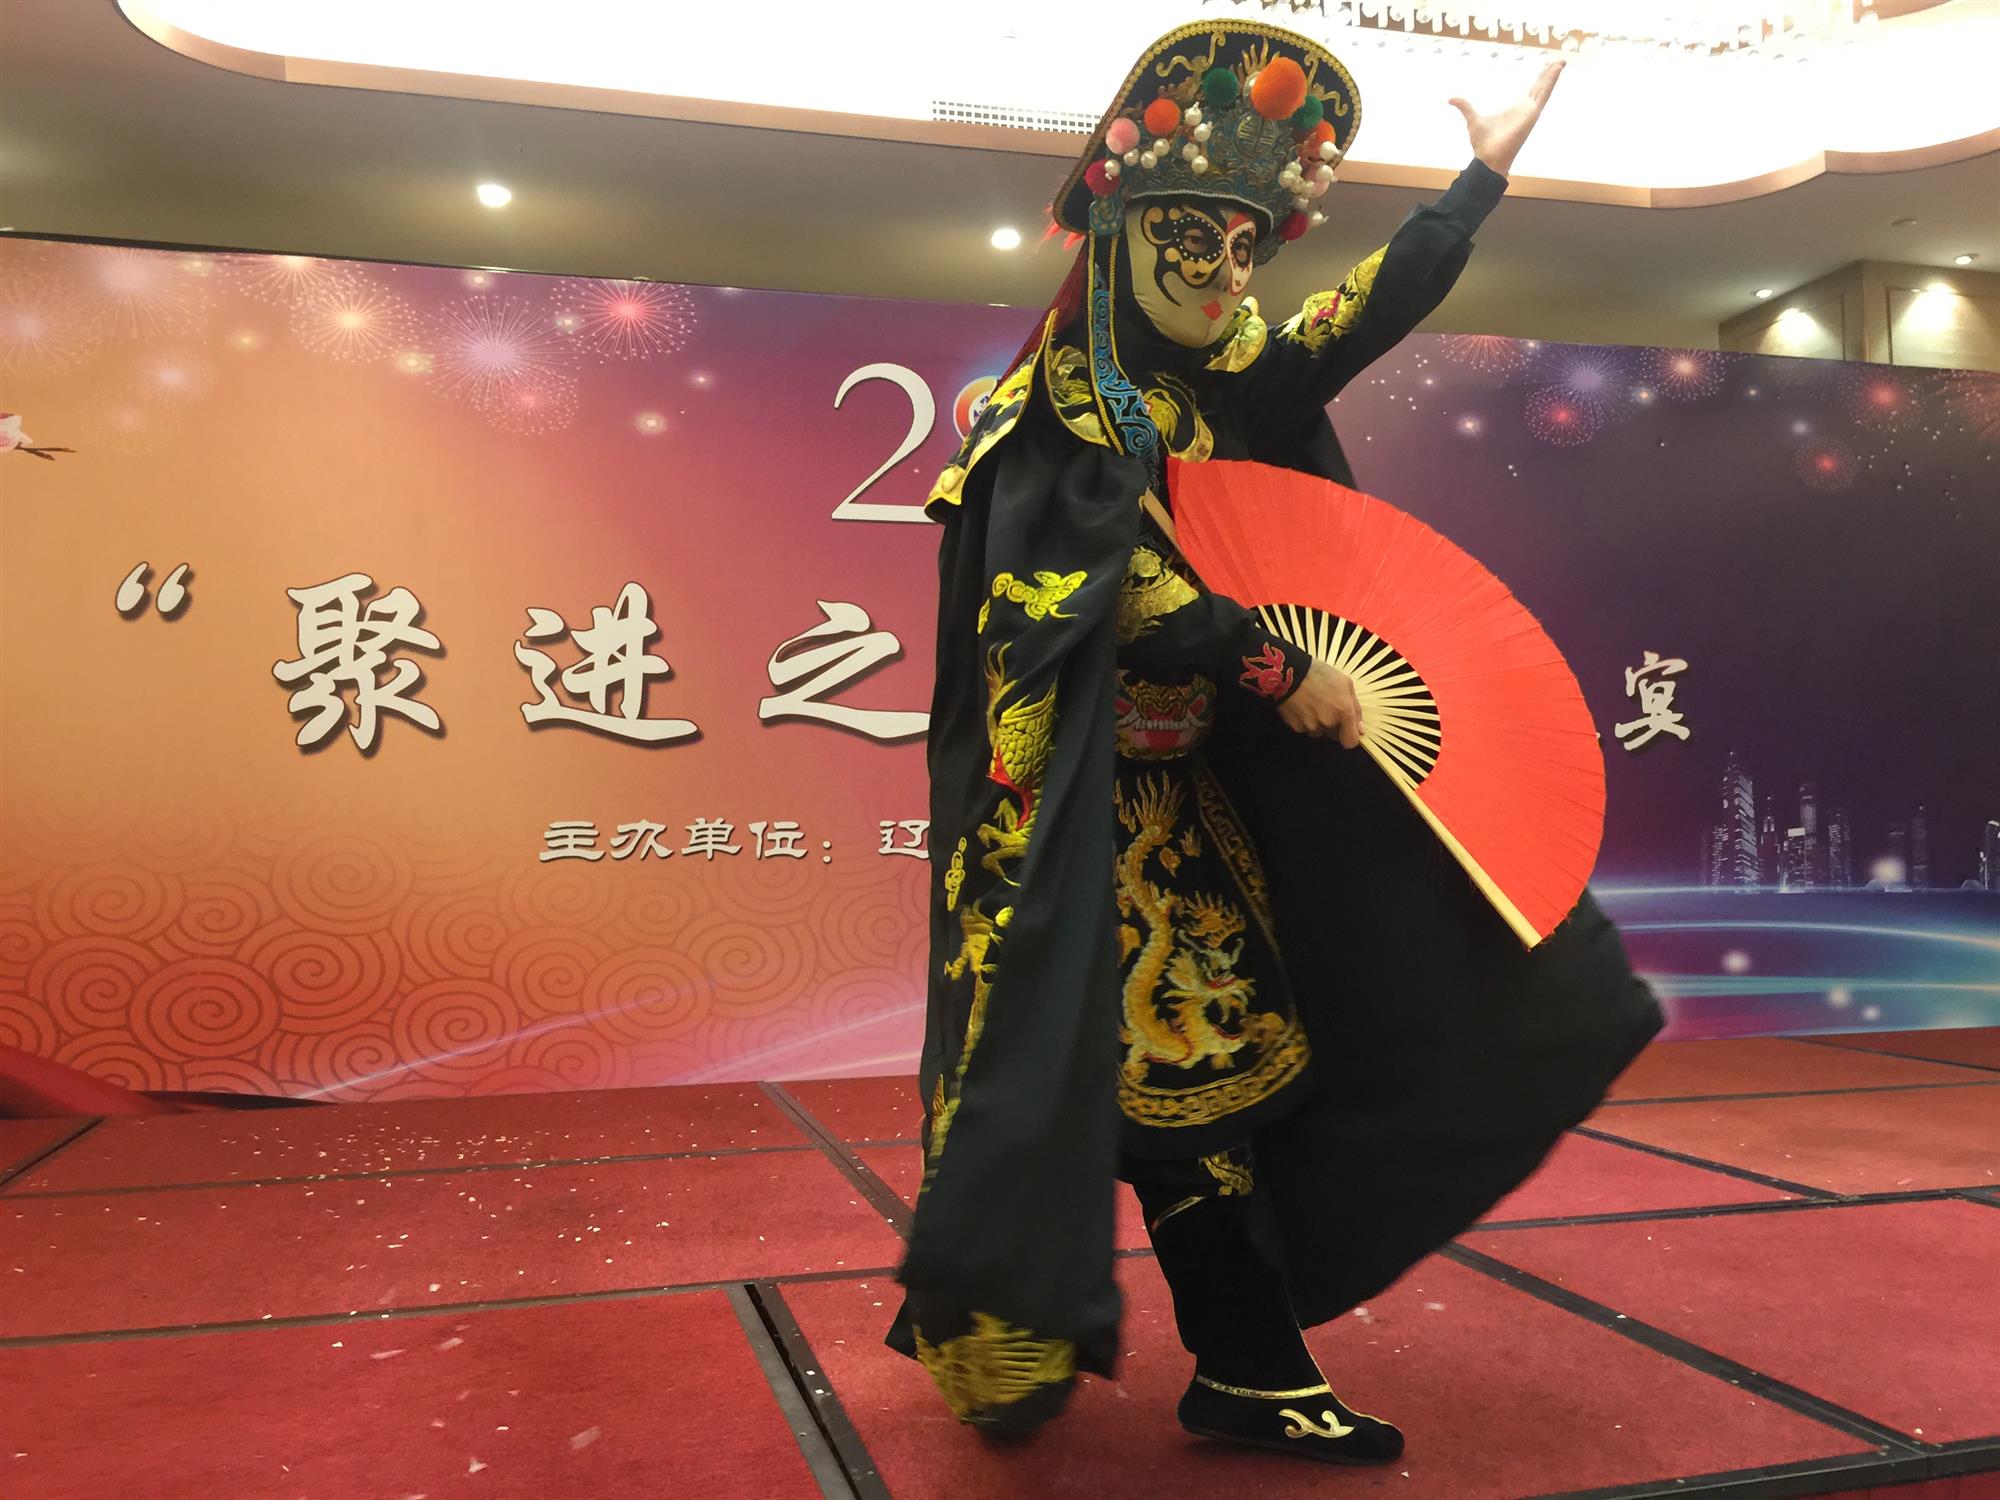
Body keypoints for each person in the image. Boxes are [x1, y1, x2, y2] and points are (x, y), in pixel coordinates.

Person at [889, 18, 1662, 1464]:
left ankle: (1237, 1363)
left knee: (1208, 1089)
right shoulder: (1046, 412)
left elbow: (1352, 320)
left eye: (1247, 246)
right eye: (1192, 237)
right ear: (1118, 230)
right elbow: (1096, 580)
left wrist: (1475, 183)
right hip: (1068, 831)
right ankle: (1095, 1339)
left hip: (1195, 809)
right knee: (1100, 1093)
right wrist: (1264, 657)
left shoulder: (1226, 385)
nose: (1223, 272)